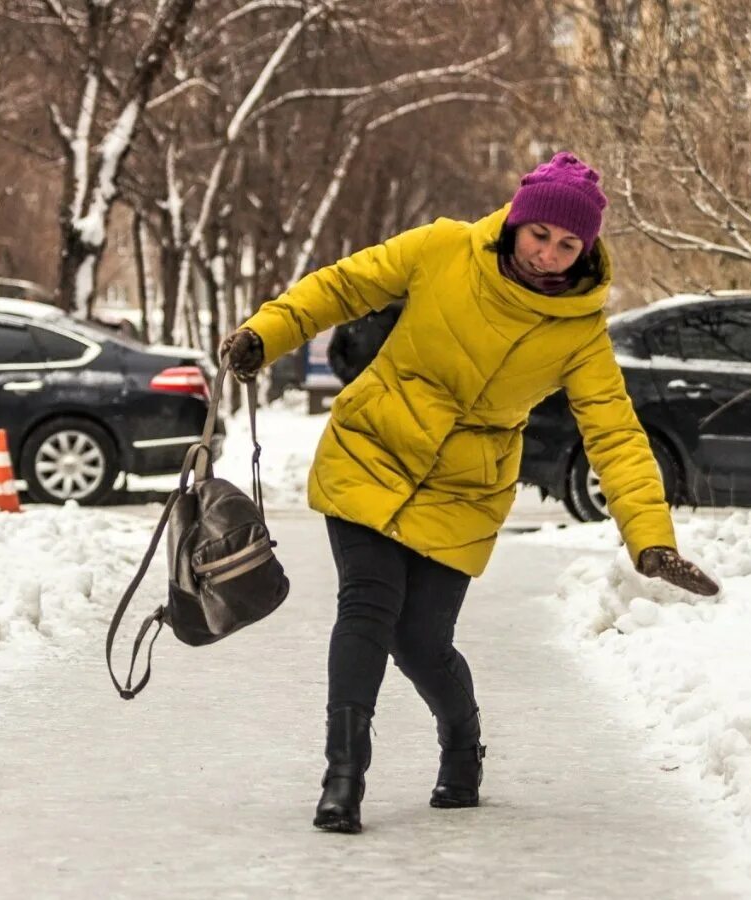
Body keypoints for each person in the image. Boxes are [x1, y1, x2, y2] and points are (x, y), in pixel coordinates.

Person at [218, 152, 720, 835]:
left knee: (421, 640)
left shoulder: (578, 331)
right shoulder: (444, 247)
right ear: (517, 220)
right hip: (374, 448)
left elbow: (615, 433)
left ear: (587, 249)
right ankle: (344, 777)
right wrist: (265, 333)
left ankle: (462, 739)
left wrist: (651, 538)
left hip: (466, 487)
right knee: (367, 607)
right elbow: (344, 286)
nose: (549, 253)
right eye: (540, 233)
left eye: (569, 244)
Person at [328, 299, 403, 386]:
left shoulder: (393, 314)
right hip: (355, 384)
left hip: (386, 385)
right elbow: (335, 351)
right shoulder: (349, 318)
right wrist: (347, 373)